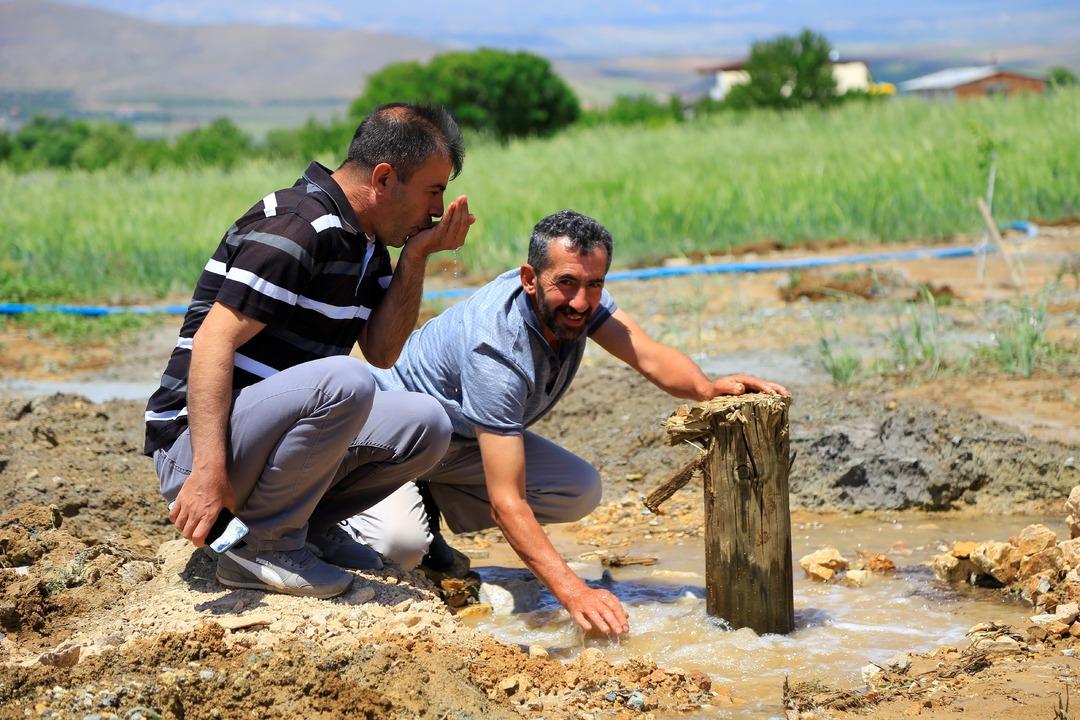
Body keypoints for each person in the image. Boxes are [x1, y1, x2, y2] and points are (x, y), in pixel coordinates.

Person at [339, 209, 788, 635]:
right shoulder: (497, 351)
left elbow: (648, 354)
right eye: (567, 283)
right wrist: (573, 592)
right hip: (391, 442)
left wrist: (706, 388)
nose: (581, 301)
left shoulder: (584, 302)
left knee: (578, 489)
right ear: (529, 278)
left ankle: (429, 505)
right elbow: (506, 503)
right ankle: (339, 511)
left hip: (456, 439)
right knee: (400, 545)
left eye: (595, 284)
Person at [143, 103, 475, 599]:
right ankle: (262, 546)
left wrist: (416, 257)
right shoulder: (299, 226)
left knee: (427, 425)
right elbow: (213, 342)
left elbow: (383, 351)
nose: (436, 210)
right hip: (196, 448)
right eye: (434, 191)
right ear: (384, 178)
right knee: (348, 380)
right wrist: (208, 473)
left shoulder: (366, 244)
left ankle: (307, 526)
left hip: (260, 440)